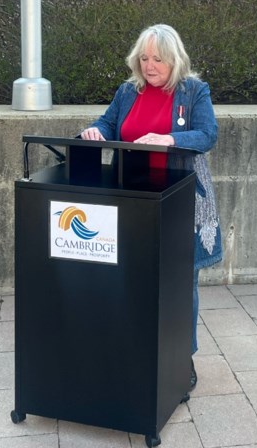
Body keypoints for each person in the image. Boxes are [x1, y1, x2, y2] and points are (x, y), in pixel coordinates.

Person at [80, 23, 222, 392]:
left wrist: (170, 138)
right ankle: (135, 349)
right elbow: (109, 123)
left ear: (174, 60)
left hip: (179, 200)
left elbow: (208, 134)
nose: (149, 65)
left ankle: (181, 357)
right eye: (144, 58)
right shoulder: (129, 91)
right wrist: (95, 131)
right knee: (132, 278)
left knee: (179, 283)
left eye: (157, 59)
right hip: (131, 200)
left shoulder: (193, 91)